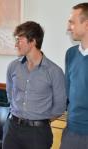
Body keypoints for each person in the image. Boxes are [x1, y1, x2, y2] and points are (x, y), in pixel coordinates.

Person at [3, 21, 66, 149]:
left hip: (38, 133)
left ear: (32, 42)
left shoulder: (54, 71)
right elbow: (10, 95)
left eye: (19, 40)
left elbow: (59, 107)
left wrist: (40, 120)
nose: (16, 44)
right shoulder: (13, 67)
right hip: (12, 129)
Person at [60, 3, 88, 149]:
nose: (68, 27)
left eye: (72, 22)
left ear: (86, 24)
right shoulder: (70, 54)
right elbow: (67, 94)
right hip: (70, 133)